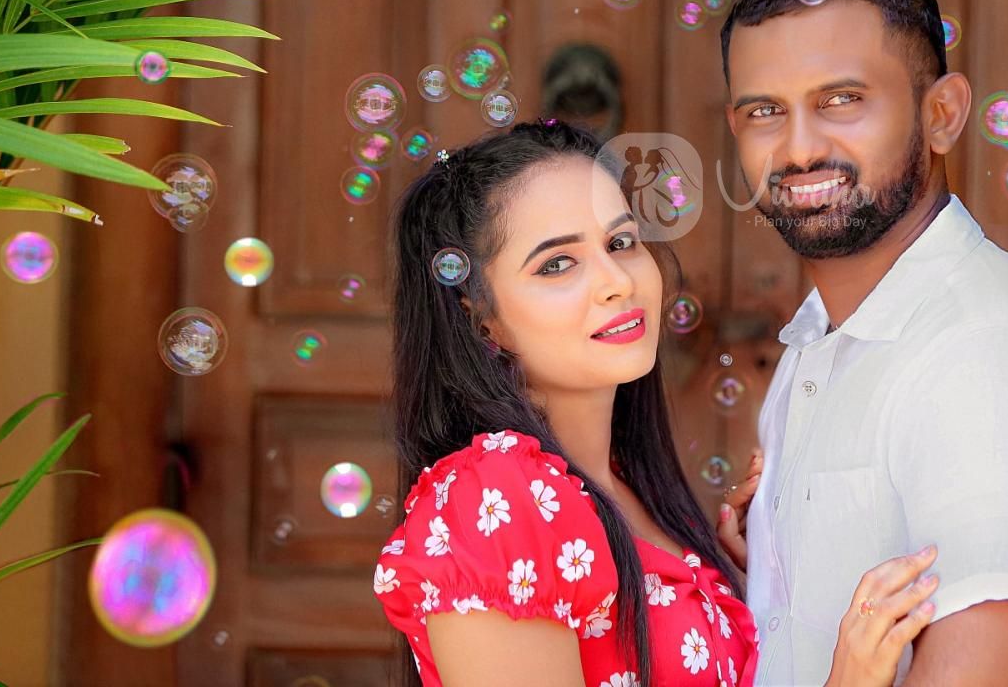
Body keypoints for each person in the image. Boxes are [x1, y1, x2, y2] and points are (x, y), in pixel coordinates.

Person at [714, 0, 1008, 686]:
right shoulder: (820, 339)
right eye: (765, 111)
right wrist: (785, 570)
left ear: (942, 113)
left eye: (841, 100)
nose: (799, 148)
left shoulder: (991, 359)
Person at [375, 119, 940, 687]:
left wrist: (761, 582)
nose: (618, 281)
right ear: (484, 320)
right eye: (557, 263)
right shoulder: (493, 498)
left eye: (620, 243)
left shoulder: (630, 493)